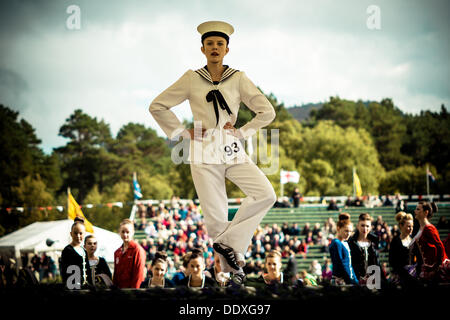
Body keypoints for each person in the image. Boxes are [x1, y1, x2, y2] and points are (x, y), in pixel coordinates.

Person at [149, 20, 276, 285]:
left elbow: (267, 111)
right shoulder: (191, 78)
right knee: (217, 219)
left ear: (227, 49)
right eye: (210, 44)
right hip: (202, 151)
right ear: (202, 49)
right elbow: (158, 105)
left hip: (231, 147)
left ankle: (229, 247)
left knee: (266, 193)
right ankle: (231, 278)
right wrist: (183, 133)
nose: (215, 48)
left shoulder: (239, 78)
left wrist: (243, 131)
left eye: (220, 44)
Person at [412, 201, 449, 282]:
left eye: (418, 209)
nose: (415, 211)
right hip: (426, 267)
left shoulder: (429, 228)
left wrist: (436, 267)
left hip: (434, 270)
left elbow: (440, 247)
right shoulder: (420, 229)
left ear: (426, 212)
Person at [348, 213, 381, 283]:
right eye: (362, 225)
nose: (365, 228)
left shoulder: (374, 241)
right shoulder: (351, 242)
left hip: (373, 280)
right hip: (356, 280)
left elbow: (377, 262)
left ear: (371, 227)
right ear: (358, 226)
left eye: (367, 226)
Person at [113, 219, 146, 288]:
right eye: (123, 232)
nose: (125, 234)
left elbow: (138, 275)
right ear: (119, 232)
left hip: (132, 293)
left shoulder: (137, 250)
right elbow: (115, 275)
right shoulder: (117, 252)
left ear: (133, 232)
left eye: (128, 232)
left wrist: (134, 293)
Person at [60, 217, 91, 288]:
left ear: (84, 234)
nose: (78, 236)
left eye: (81, 233)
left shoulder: (84, 250)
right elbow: (64, 272)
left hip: (85, 288)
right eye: (75, 233)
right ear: (71, 234)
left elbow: (88, 270)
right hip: (73, 288)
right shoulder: (67, 250)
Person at [328, 213, 359, 285]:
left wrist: (355, 281)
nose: (348, 234)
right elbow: (341, 264)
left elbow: (349, 265)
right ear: (338, 228)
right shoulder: (336, 243)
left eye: (350, 231)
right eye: (346, 231)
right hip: (341, 281)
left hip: (348, 279)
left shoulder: (345, 242)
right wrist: (350, 280)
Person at [388, 212, 417, 285]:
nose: (411, 229)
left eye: (412, 226)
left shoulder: (413, 240)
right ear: (401, 226)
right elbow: (392, 261)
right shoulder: (395, 241)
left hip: (413, 275)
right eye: (408, 226)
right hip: (400, 277)